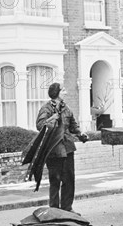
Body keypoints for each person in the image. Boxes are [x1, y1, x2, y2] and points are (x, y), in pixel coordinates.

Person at [36, 82, 88, 213]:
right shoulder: (46, 109)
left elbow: (73, 126)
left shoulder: (66, 108)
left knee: (69, 180)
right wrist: (53, 118)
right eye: (63, 90)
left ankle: (67, 209)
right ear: (57, 93)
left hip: (68, 148)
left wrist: (81, 134)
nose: (66, 92)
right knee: (55, 180)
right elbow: (40, 125)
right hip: (53, 149)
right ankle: (54, 210)